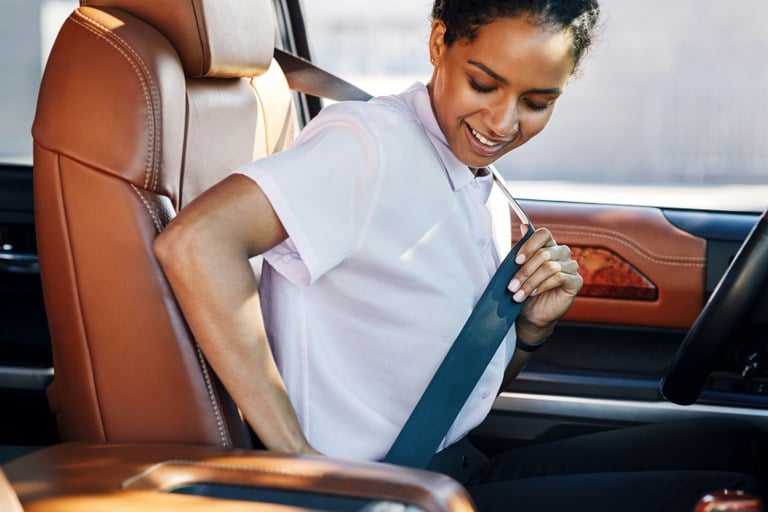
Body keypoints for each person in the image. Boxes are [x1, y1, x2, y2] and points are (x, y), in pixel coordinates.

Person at [154, 1, 768, 510]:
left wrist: (528, 332)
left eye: (537, 101)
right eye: (483, 83)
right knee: (728, 498)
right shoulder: (369, 146)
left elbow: (449, 393)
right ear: (439, 41)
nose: (503, 122)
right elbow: (197, 241)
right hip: (383, 493)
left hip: (450, 468)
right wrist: (297, 459)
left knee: (741, 448)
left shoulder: (470, 174)